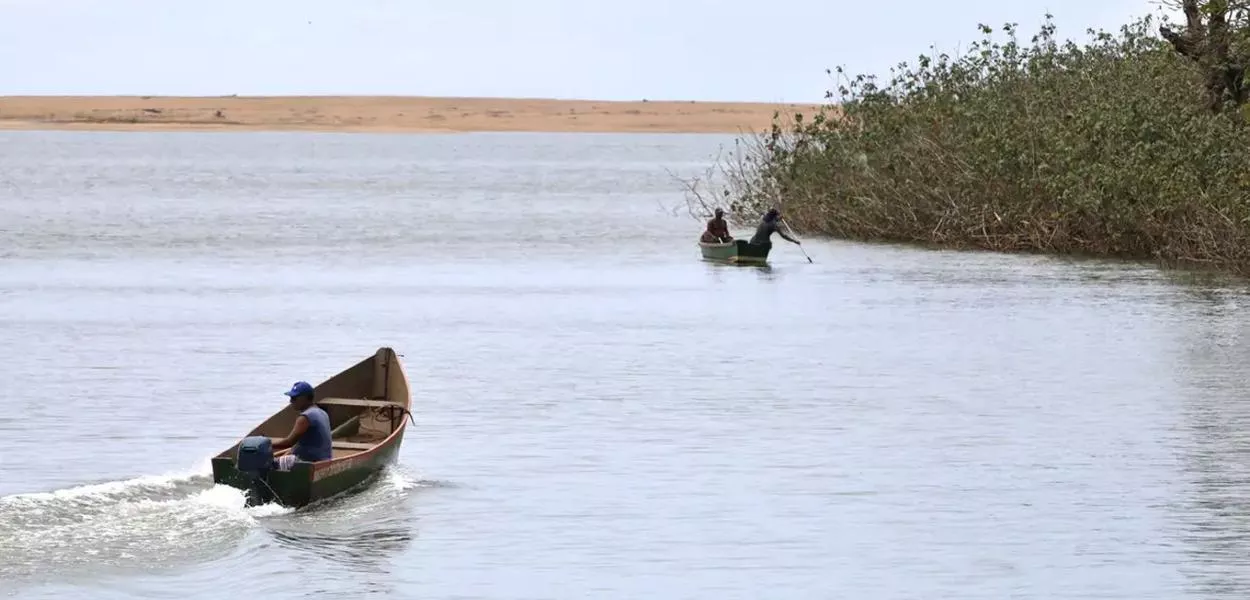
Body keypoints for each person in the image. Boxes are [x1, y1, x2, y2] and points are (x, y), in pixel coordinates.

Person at [270, 381, 333, 470]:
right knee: (284, 455)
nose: (291, 401)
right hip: (325, 459)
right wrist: (286, 454)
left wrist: (268, 445)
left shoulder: (305, 417)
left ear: (305, 398)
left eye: (294, 398)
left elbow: (289, 442)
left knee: (264, 465)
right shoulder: (322, 412)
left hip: (309, 463)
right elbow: (297, 445)